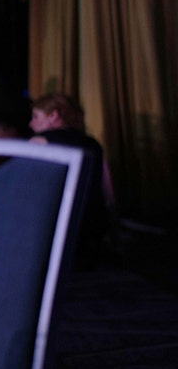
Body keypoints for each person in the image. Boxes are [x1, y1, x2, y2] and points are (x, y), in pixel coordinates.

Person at [29, 93, 113, 266]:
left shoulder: (40, 141)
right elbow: (108, 191)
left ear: (54, 115)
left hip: (55, 226)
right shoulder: (93, 144)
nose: (31, 123)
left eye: (36, 116)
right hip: (91, 224)